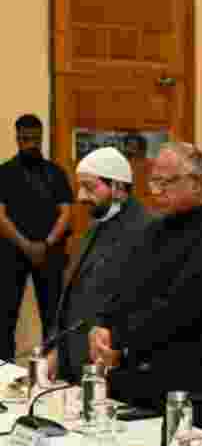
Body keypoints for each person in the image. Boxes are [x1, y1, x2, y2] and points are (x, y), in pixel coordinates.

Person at [90, 143, 202, 439]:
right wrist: (103, 325)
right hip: (135, 391)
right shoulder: (152, 231)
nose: (156, 190)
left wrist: (119, 338)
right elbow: (124, 288)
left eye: (166, 182)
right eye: (153, 181)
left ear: (197, 182)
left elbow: (179, 310)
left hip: (190, 398)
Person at [48, 147, 150, 384]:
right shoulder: (97, 226)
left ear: (117, 187)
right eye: (80, 187)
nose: (81, 196)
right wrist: (55, 352)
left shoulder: (146, 230)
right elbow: (73, 298)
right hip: (74, 367)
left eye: (90, 187)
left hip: (113, 374)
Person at [0, 114, 71, 360]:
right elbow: (0, 216)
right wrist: (25, 245)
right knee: (4, 316)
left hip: (49, 252)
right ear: (17, 138)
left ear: (41, 138)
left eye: (34, 139)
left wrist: (47, 243)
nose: (29, 144)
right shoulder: (4, 172)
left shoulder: (55, 172)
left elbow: (66, 212)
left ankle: (51, 372)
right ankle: (3, 372)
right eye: (24, 139)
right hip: (11, 253)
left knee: (53, 316)